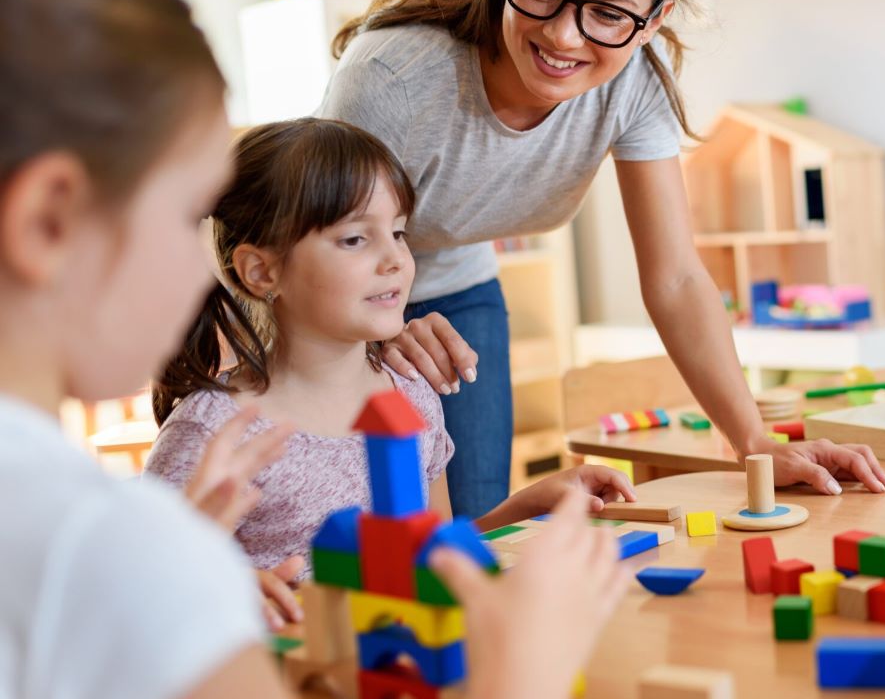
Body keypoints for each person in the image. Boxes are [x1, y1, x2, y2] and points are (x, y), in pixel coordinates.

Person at [0, 0, 628, 699]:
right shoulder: (99, 546)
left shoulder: (101, 535)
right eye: (188, 213)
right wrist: (528, 682)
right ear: (50, 221)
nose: (201, 266)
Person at [319, 0, 885, 519]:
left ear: (654, 20)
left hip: (455, 293)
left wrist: (753, 441)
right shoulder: (395, 78)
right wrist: (377, 330)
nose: (563, 36)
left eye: (607, 14)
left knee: (470, 537)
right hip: (324, 294)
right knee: (349, 531)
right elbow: (303, 246)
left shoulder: (631, 88)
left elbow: (677, 278)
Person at [146, 116, 635, 628]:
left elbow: (432, 555)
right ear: (262, 271)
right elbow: (143, 602)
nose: (396, 260)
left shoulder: (412, 394)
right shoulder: (211, 434)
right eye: (355, 239)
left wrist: (529, 507)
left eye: (398, 232)